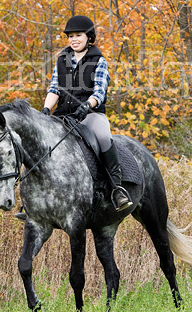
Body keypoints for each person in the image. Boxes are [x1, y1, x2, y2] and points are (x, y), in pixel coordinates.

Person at [41, 15, 133, 213]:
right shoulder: (62, 60)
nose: (74, 39)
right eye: (70, 36)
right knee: (40, 139)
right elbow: (54, 89)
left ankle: (117, 189)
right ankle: (36, 196)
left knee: (102, 136)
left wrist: (87, 105)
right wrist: (46, 109)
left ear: (88, 37)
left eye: (78, 35)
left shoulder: (99, 61)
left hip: (90, 114)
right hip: (64, 114)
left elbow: (100, 90)